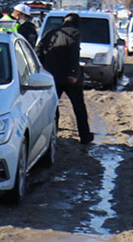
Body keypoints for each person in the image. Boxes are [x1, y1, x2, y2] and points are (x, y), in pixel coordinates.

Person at [37, 12, 93, 144]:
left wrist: (42, 70)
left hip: (51, 77)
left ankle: (51, 134)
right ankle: (84, 136)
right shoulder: (74, 33)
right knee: (79, 107)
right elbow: (74, 54)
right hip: (69, 78)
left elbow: (38, 51)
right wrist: (73, 73)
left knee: (52, 107)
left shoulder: (50, 33)